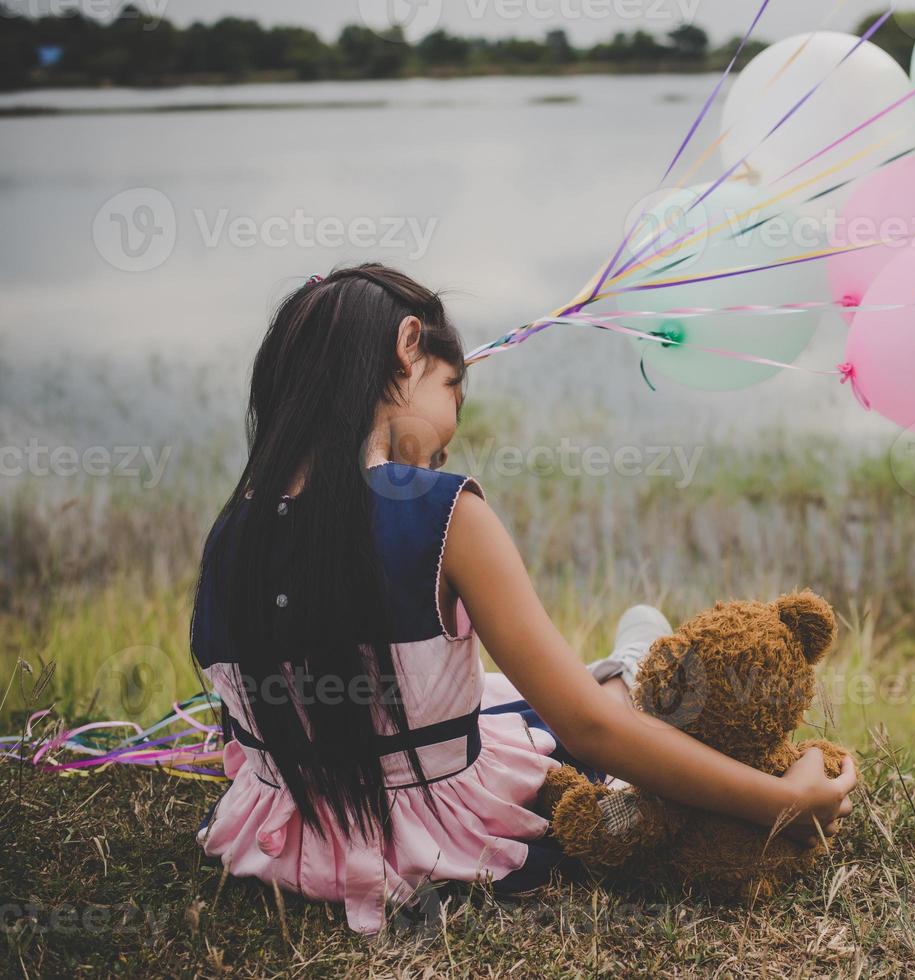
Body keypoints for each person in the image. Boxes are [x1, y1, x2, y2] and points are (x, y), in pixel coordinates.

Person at [190, 264, 857, 934]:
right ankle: (632, 656)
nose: (450, 433)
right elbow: (587, 730)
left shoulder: (228, 534)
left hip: (285, 847)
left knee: (509, 694)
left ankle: (628, 655)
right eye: (452, 387)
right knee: (608, 696)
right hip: (440, 837)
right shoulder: (445, 514)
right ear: (408, 344)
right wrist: (783, 802)